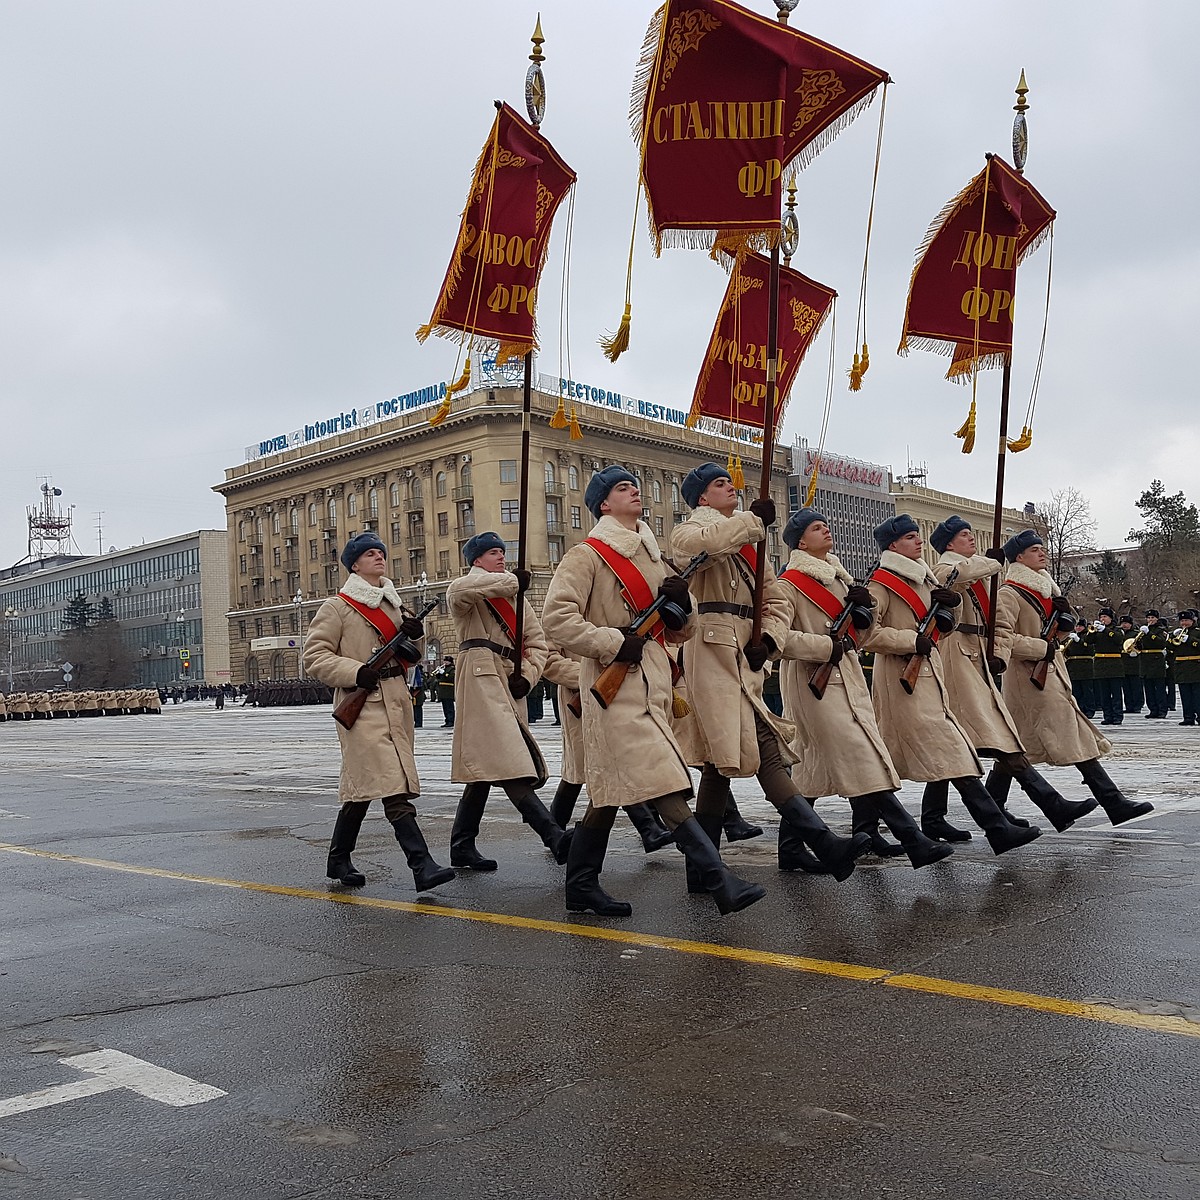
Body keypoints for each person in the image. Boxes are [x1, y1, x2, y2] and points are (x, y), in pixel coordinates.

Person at [543, 465, 765, 917]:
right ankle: (718, 878)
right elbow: (557, 619)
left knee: (607, 794)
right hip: (613, 685)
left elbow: (679, 631)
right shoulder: (586, 555)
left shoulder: (653, 557)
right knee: (663, 779)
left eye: (634, 486)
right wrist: (611, 640)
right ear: (603, 504)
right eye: (623, 488)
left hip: (653, 684)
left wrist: (682, 612)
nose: (634, 492)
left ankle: (581, 884)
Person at [669, 463, 871, 881]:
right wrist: (751, 522)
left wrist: (771, 639)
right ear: (702, 498)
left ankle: (700, 869)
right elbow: (700, 549)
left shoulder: (749, 546)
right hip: (710, 650)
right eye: (720, 485)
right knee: (761, 749)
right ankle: (823, 842)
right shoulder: (689, 530)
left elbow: (776, 600)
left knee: (719, 762)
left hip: (746, 652)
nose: (731, 489)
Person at [775, 508, 953, 870]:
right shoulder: (788, 583)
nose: (826, 530)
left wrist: (860, 618)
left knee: (812, 762)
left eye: (826, 525)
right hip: (813, 681)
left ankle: (791, 846)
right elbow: (781, 639)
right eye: (816, 528)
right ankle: (912, 838)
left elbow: (860, 636)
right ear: (800, 541)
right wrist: (826, 646)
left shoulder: (840, 581)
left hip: (845, 676)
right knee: (862, 755)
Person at [862, 514, 1041, 854]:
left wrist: (948, 613)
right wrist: (910, 641)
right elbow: (868, 635)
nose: (918, 541)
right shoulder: (882, 582)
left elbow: (941, 627)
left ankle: (869, 829)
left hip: (931, 675)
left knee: (889, 757)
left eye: (918, 534)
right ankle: (995, 827)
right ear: (892, 545)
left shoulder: (922, 578)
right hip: (902, 680)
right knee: (947, 751)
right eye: (910, 537)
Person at [303, 532, 454, 892]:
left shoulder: (392, 604)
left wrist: (413, 636)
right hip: (363, 701)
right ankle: (422, 865)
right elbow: (314, 656)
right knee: (391, 783)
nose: (379, 558)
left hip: (395, 700)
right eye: (370, 554)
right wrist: (356, 672)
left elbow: (408, 655)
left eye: (381, 553)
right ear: (354, 565)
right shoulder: (338, 607)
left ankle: (339, 859)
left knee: (366, 786)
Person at [926, 515, 1095, 836]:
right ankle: (1045, 806)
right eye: (964, 535)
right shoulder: (945, 569)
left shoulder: (978, 570)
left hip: (977, 652)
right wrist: (991, 564)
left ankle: (936, 818)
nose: (971, 539)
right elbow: (957, 574)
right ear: (949, 544)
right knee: (983, 738)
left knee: (959, 741)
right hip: (958, 653)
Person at [994, 530, 1154, 825]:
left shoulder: (1046, 591)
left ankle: (993, 810)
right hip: (1029, 679)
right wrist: (1042, 645)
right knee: (1070, 734)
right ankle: (1113, 801)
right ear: (1018, 557)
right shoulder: (1009, 593)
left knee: (1015, 746)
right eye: (1033, 550)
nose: (1041, 553)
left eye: (1042, 548)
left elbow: (1054, 636)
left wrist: (1063, 624)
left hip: (1052, 673)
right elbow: (1003, 639)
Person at [444, 532, 570, 871]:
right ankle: (553, 836)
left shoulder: (517, 597)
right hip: (480, 673)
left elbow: (537, 643)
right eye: (491, 553)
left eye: (502, 551)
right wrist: (510, 582)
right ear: (476, 560)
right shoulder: (468, 589)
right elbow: (462, 591)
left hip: (509, 678)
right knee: (509, 760)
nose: (500, 556)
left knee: (486, 767)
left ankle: (462, 845)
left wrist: (527, 676)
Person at [1090, 607, 1126, 725]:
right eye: (1101, 617)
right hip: (1101, 664)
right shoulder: (1097, 631)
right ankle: (1107, 716)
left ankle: (1117, 716)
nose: (1102, 619)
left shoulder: (1116, 630)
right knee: (1104, 694)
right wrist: (1092, 631)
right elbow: (1088, 641)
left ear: (1111, 618)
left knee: (1115, 693)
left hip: (1114, 663)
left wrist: (1105, 630)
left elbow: (1119, 639)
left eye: (1105, 617)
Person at [1135, 609, 1171, 719]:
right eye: (1149, 618)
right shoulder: (1143, 630)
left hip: (1156, 660)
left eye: (1152, 618)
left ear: (1157, 619)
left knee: (1159, 688)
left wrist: (1149, 633)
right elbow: (1140, 645)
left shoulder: (1160, 630)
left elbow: (1161, 642)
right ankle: (1153, 709)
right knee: (1148, 688)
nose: (1150, 620)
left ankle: (1162, 709)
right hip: (1145, 660)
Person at [1063, 618, 1096, 718]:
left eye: (1080, 626)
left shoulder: (1088, 636)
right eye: (1076, 626)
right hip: (1073, 666)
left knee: (1087, 691)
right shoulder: (1070, 637)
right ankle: (1079, 708)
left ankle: (1090, 709)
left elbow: (1090, 649)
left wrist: (1079, 641)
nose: (1078, 628)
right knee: (1076, 691)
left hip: (1085, 666)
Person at [1171, 610, 1200, 725]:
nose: (1184, 623)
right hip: (1181, 667)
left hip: (1195, 666)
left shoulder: (1197, 632)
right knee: (1185, 695)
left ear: (1193, 621)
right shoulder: (1177, 633)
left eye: (1187, 620)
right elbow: (1169, 646)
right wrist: (1172, 637)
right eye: (1182, 621)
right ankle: (1188, 717)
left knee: (1197, 695)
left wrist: (1189, 640)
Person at [1119, 615, 1145, 715]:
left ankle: (1138, 705)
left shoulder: (1136, 634)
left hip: (1134, 663)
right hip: (1123, 662)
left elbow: (1141, 646)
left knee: (1136, 686)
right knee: (1126, 687)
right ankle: (1129, 705)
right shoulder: (1120, 634)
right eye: (1122, 623)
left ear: (1131, 624)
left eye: (1126, 623)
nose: (1124, 625)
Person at [437, 656, 456, 727]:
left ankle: (451, 720)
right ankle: (447, 720)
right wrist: (438, 673)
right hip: (443, 691)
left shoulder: (452, 669)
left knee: (449, 707)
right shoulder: (444, 668)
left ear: (450, 662)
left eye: (446, 661)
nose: (445, 662)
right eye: (444, 661)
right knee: (445, 707)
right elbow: (439, 678)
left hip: (448, 690)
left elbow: (451, 678)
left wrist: (444, 673)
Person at [409, 661, 425, 728]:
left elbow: (421, 684)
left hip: (418, 694)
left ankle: (418, 722)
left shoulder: (419, 674)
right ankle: (415, 722)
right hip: (414, 693)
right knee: (414, 709)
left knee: (418, 709)